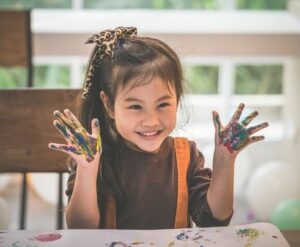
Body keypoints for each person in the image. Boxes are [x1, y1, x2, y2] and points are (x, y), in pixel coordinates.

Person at [48, 26, 268, 229]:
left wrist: (224, 162)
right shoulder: (94, 157)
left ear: (177, 101)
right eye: (135, 106)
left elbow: (213, 220)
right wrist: (87, 170)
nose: (151, 120)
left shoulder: (186, 156)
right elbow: (81, 229)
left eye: (163, 104)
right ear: (109, 105)